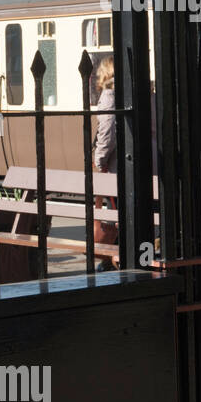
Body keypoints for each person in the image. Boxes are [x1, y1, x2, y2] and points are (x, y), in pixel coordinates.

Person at [92, 57, 118, 270]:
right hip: (149, 164)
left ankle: (113, 259)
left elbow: (106, 134)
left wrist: (99, 160)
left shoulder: (109, 96)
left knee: (116, 213)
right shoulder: (142, 91)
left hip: (118, 169)